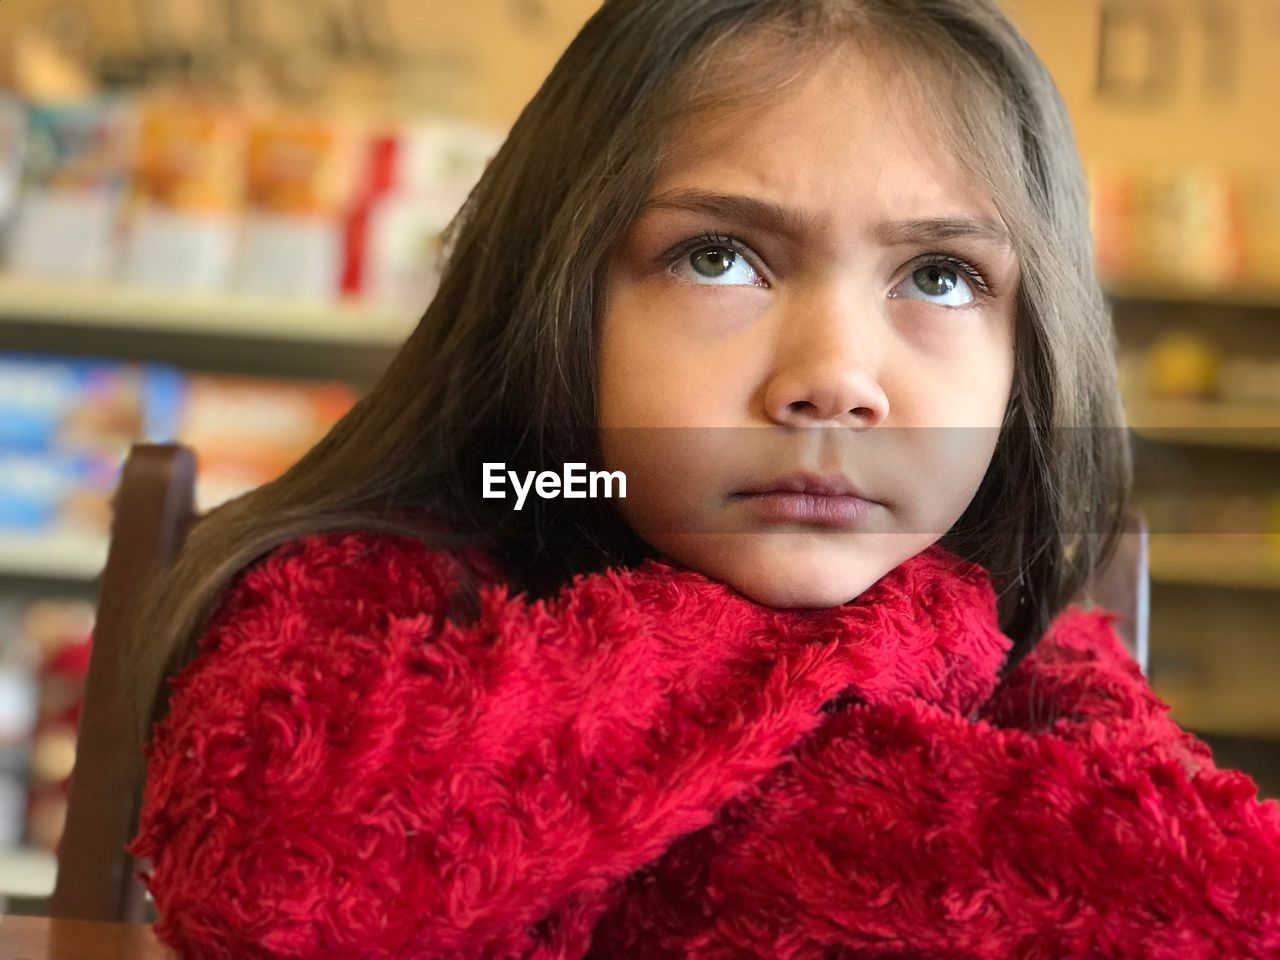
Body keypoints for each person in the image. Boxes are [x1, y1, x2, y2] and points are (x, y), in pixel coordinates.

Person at [126, 1, 1280, 957]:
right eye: (716, 256)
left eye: (937, 275)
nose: (832, 380)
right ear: (555, 296)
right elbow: (287, 874)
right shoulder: (426, 559)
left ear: (1030, 357)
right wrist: (863, 634)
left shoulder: (1034, 649)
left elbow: (1218, 903)